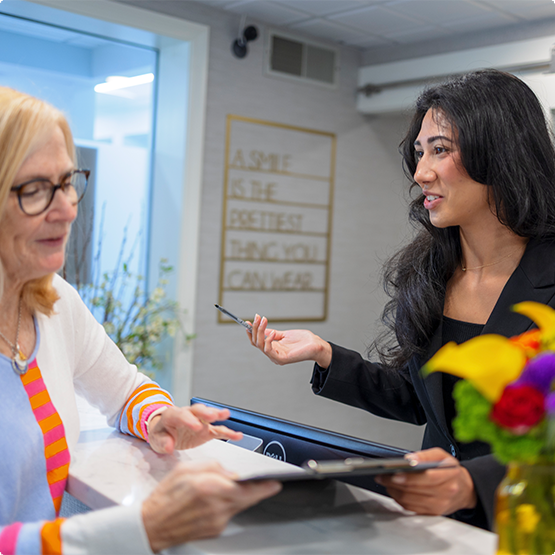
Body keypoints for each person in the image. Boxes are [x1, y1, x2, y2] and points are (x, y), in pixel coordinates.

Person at [247, 69, 555, 531]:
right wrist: (326, 355)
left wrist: (473, 481)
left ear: (499, 152)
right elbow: (422, 400)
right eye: (418, 152)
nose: (420, 173)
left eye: (440, 150)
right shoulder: (430, 272)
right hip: (440, 524)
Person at [0, 87, 281, 554]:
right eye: (34, 190)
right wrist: (141, 529)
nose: (68, 208)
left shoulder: (53, 302)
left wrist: (158, 417)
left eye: (67, 182)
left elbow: (125, 388)